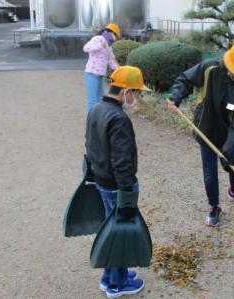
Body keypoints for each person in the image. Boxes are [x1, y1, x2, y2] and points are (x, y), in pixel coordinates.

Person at [167, 42, 234, 227]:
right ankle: (214, 206)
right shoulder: (210, 68)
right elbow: (185, 79)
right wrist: (176, 97)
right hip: (206, 126)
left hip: (228, 130)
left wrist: (228, 150)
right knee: (210, 172)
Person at [85, 65, 150, 298]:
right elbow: (121, 160)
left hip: (103, 181)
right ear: (126, 91)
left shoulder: (97, 109)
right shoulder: (119, 118)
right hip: (118, 186)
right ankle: (116, 285)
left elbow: (89, 145)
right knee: (121, 234)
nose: (137, 98)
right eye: (137, 93)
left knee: (112, 230)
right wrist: (127, 191)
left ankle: (110, 277)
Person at [83, 23, 120, 113]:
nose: (116, 38)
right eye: (116, 35)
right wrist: (99, 46)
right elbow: (86, 48)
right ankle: (91, 121)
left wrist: (119, 70)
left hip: (100, 75)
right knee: (92, 100)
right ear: (111, 33)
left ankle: (99, 119)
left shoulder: (109, 45)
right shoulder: (98, 39)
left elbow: (110, 61)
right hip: (91, 74)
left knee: (101, 99)